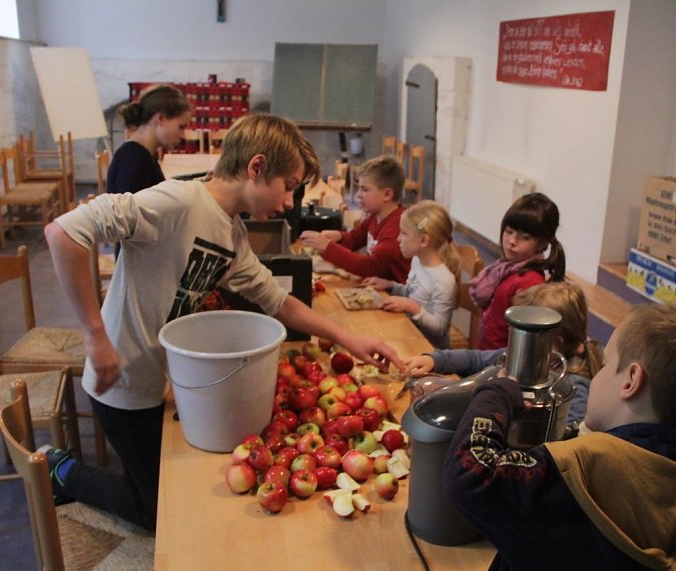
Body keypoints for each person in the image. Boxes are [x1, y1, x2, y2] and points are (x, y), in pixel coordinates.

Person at [42, 113, 404, 531]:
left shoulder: (232, 236)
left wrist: (349, 338)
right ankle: (62, 470)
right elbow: (62, 233)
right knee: (155, 512)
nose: (289, 202)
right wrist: (95, 337)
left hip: (160, 379)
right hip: (121, 383)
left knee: (175, 490)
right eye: (287, 186)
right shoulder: (176, 202)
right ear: (256, 167)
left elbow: (278, 302)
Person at [443, 301, 676, 570]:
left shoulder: (578, 467)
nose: (597, 375)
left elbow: (470, 474)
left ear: (631, 380)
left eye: (604, 365)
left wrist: (496, 394)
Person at [405, 281, 603, 428]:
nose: (510, 333)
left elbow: (568, 436)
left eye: (522, 329)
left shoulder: (575, 385)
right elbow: (476, 359)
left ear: (555, 338)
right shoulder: (523, 356)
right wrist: (436, 359)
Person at [470, 192, 565, 350]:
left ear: (542, 243)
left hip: (500, 363)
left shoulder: (529, 283)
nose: (512, 241)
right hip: (486, 355)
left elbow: (526, 344)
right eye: (509, 232)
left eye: (525, 237)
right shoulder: (504, 269)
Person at [360, 200, 459, 349]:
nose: (398, 238)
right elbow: (413, 293)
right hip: (411, 335)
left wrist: (412, 307)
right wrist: (391, 285)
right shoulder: (417, 261)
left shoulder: (444, 281)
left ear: (424, 240)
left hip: (431, 351)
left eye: (404, 233)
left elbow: (440, 329)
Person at [299, 156, 410, 283]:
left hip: (392, 295)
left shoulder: (397, 229)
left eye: (365, 189)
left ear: (387, 194)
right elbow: (355, 238)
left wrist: (328, 247)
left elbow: (370, 267)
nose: (358, 194)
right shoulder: (375, 215)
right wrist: (339, 236)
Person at [108, 84, 191, 196]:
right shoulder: (134, 159)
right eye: (181, 127)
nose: (183, 135)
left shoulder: (140, 154)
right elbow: (133, 212)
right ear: (160, 118)